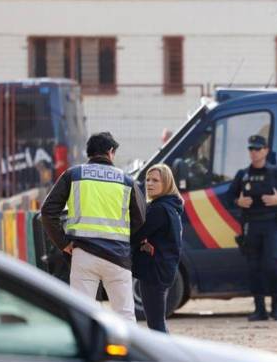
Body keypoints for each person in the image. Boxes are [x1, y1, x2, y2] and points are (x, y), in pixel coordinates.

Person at [40, 132, 146, 322]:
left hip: (84, 255)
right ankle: (128, 351)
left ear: (89, 152)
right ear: (110, 152)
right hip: (118, 258)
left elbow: (48, 212)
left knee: (83, 316)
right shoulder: (127, 180)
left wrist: (63, 243)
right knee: (125, 315)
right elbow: (139, 219)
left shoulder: (73, 175)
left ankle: (89, 352)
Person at [227, 135, 277, 321]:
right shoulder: (242, 175)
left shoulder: (276, 173)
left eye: (258, 149)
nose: (254, 152)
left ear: (266, 150)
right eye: (251, 149)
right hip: (251, 225)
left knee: (273, 267)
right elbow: (229, 197)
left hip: (272, 225)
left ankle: (276, 308)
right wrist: (239, 201)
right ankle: (259, 310)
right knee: (254, 268)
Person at [131, 164, 183, 333]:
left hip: (155, 272)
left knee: (156, 325)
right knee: (157, 322)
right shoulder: (171, 206)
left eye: (155, 180)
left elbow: (135, 235)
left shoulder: (159, 209)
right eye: (147, 179)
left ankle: (167, 357)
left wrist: (140, 242)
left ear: (166, 183)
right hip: (164, 270)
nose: (149, 184)